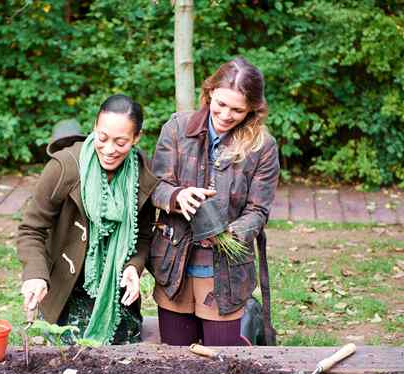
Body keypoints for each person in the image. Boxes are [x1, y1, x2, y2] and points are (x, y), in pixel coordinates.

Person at [148, 57, 279, 347]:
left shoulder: (262, 147)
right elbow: (155, 185)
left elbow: (258, 210)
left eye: (237, 110)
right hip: (174, 264)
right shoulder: (177, 128)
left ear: (252, 110)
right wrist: (177, 196)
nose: (226, 115)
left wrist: (229, 234)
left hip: (226, 271)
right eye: (220, 104)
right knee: (177, 358)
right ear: (209, 94)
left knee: (224, 361)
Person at [17, 95, 157, 345]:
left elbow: (144, 236)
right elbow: (31, 229)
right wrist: (36, 274)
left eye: (121, 142)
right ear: (94, 127)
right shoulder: (64, 167)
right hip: (66, 290)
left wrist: (133, 267)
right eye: (102, 138)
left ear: (136, 138)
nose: (109, 149)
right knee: (72, 357)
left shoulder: (142, 176)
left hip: (115, 290)